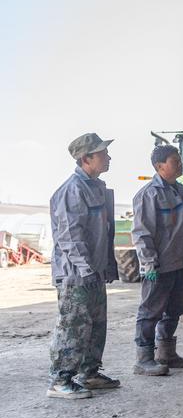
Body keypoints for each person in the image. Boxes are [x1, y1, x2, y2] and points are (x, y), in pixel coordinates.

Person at [47, 133, 120, 399]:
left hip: (94, 271)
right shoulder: (72, 190)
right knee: (73, 326)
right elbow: (69, 236)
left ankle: (88, 373)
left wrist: (105, 266)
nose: (108, 157)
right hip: (75, 275)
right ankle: (59, 380)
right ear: (86, 158)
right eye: (102, 153)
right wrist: (86, 268)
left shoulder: (96, 187)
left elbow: (103, 232)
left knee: (96, 324)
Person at [131, 145, 183, 376]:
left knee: (174, 309)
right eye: (174, 161)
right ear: (160, 166)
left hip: (177, 263)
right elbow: (142, 233)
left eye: (179, 160)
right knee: (151, 311)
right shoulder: (149, 195)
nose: (180, 164)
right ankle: (143, 359)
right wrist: (148, 263)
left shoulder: (179, 190)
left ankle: (166, 352)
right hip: (158, 267)